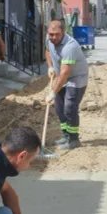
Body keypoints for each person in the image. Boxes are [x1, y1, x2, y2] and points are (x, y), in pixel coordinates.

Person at [45, 19, 89, 149]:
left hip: (76, 78)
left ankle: (74, 140)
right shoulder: (49, 40)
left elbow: (65, 73)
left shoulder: (70, 46)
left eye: (57, 34)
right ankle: (65, 136)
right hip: (60, 76)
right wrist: (50, 67)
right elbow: (48, 51)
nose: (53, 37)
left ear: (63, 32)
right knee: (59, 108)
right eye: (51, 34)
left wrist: (53, 92)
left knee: (69, 107)